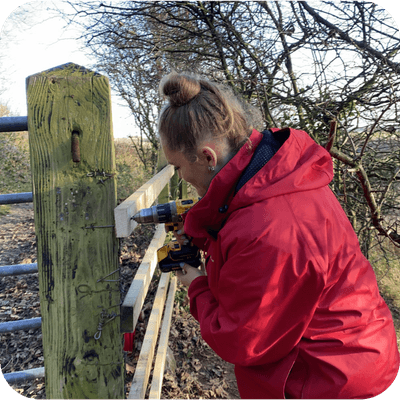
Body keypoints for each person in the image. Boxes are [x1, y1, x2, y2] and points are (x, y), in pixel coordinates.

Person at [157, 71, 400, 399]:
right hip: (351, 355)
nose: (182, 176)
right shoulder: (275, 178)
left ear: (207, 156)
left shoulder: (267, 229)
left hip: (329, 380)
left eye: (177, 166)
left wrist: (196, 283)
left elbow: (242, 339)